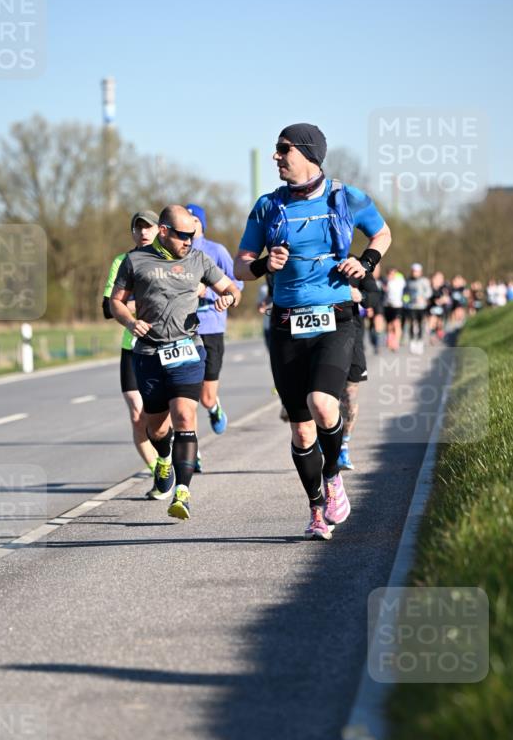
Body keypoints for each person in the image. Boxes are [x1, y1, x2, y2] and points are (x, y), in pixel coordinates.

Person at [234, 123, 391, 540]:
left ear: (307, 153)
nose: (276, 157)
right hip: (287, 324)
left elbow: (382, 232)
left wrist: (366, 262)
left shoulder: (346, 197)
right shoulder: (268, 206)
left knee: (323, 404)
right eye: (276, 149)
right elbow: (240, 265)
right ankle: (317, 509)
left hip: (335, 318)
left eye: (283, 149)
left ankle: (333, 474)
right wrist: (264, 264)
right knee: (302, 428)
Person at [110, 205, 241, 520]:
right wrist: (130, 322)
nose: (189, 241)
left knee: (185, 416)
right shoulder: (135, 261)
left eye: (192, 235)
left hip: (187, 348)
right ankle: (164, 458)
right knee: (156, 427)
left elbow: (231, 288)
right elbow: (116, 302)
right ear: (164, 232)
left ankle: (182, 492)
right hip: (149, 353)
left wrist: (228, 297)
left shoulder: (198, 259)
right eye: (183, 235)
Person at [102, 210, 159, 484]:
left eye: (149, 227)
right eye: (138, 228)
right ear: (132, 232)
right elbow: (107, 307)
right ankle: (160, 472)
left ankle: (177, 454)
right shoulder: (121, 262)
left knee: (163, 414)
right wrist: (141, 304)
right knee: (138, 415)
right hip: (132, 346)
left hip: (165, 344)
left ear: (160, 230)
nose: (143, 232)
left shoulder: (169, 259)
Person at [185, 203, 243, 471]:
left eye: (194, 220)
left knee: (205, 397)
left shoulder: (216, 251)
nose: (190, 224)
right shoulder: (174, 253)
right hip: (183, 332)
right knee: (185, 397)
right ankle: (192, 452)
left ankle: (214, 407)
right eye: (186, 220)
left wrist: (208, 292)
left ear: (202, 224)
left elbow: (237, 282)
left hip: (211, 329)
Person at [403, 263, 432, 354]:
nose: (415, 273)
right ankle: (412, 342)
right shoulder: (408, 281)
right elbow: (405, 293)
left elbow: (429, 292)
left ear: (420, 272)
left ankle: (420, 342)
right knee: (412, 323)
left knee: (420, 324)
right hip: (411, 306)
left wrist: (423, 297)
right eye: (413, 271)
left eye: (416, 271)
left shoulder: (424, 281)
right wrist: (406, 300)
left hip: (421, 306)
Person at [384, 267, 406, 351]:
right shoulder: (386, 282)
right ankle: (390, 340)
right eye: (390, 274)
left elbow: (402, 280)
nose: (392, 275)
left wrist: (397, 274)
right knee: (390, 325)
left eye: (393, 274)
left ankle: (396, 342)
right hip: (387, 306)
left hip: (397, 306)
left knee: (397, 323)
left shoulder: (400, 281)